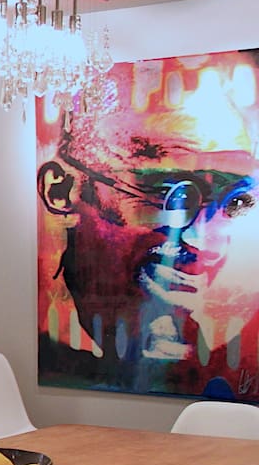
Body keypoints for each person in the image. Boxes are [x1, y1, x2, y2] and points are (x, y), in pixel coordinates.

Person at [36, 49, 259, 400]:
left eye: (236, 203)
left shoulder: (232, 368)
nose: (205, 243)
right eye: (168, 192)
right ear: (62, 190)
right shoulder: (47, 348)